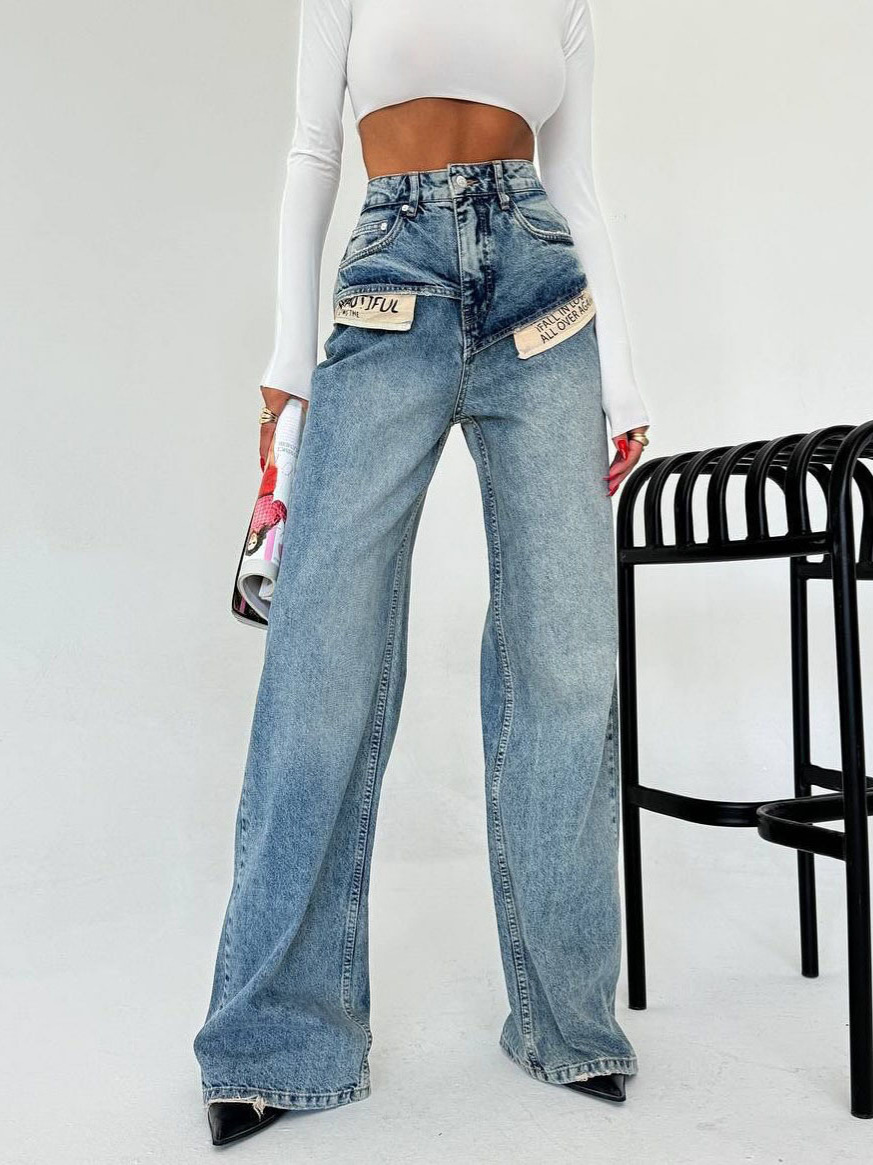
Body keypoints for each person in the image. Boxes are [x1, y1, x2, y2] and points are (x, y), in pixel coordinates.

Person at [193, 0, 652, 1146]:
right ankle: (276, 1040)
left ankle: (570, 1022)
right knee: (321, 659)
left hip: (544, 305)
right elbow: (313, 150)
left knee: (567, 663)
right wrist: (288, 365)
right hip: (388, 286)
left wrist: (625, 383)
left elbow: (576, 181)